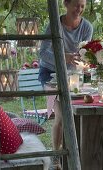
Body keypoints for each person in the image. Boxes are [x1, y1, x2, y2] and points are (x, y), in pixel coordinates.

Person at [38, 0, 93, 168]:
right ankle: (56, 157)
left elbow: (85, 53)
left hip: (73, 75)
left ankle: (76, 152)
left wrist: (87, 64)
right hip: (50, 73)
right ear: (66, 4)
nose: (79, 9)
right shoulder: (55, 25)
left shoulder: (87, 27)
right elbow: (43, 53)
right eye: (76, 5)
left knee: (78, 112)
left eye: (82, 6)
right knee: (61, 116)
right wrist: (64, 57)